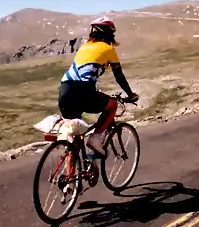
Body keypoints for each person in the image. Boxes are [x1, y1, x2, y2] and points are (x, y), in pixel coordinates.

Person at [58, 16, 139, 161]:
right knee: (112, 104)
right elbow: (119, 75)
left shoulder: (84, 47)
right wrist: (130, 94)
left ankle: (71, 181)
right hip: (83, 91)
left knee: (75, 140)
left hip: (65, 91)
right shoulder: (108, 49)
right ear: (109, 34)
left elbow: (85, 73)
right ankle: (95, 138)